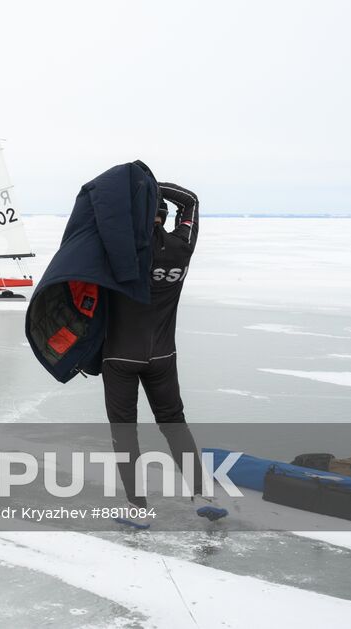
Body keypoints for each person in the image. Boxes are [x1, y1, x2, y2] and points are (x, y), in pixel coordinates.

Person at [101, 182, 217, 512]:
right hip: (162, 356)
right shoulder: (182, 247)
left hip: (120, 354)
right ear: (164, 218)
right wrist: (154, 187)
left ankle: (137, 507)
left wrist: (136, 189)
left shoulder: (123, 252)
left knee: (125, 432)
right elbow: (191, 202)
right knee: (174, 423)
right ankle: (202, 493)